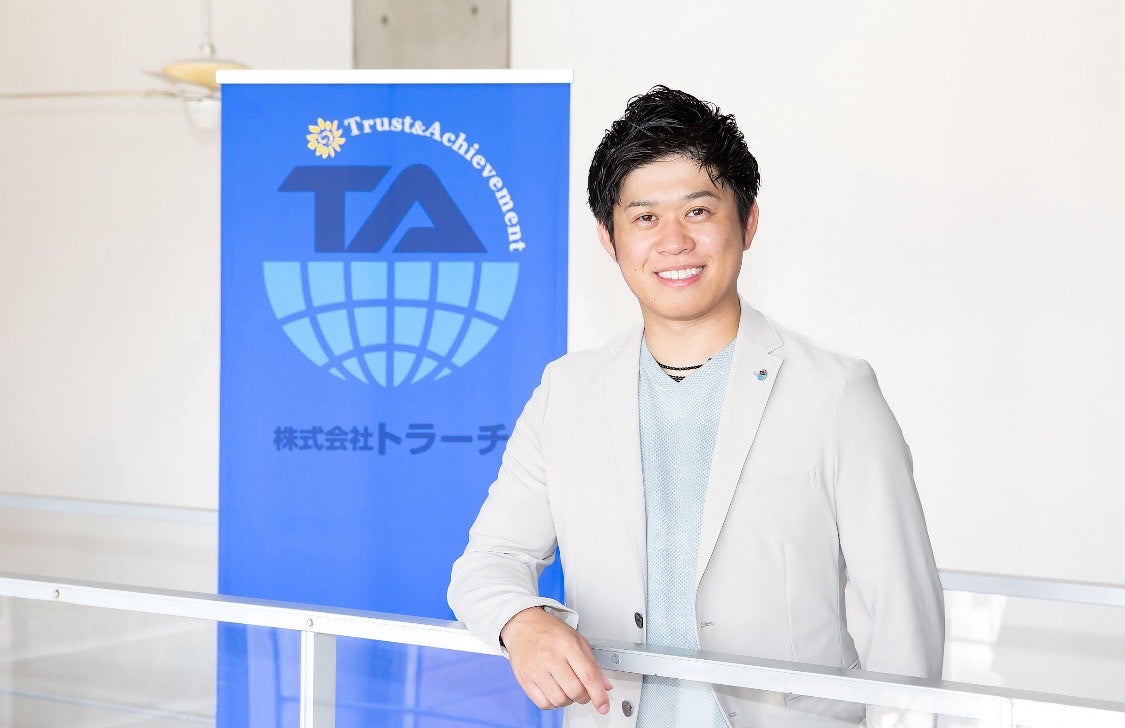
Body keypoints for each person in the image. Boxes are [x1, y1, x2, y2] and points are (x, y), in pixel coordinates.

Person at [448, 85, 944, 727]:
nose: (674, 241)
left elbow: (904, 621)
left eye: (700, 211)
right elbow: (487, 563)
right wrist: (521, 620)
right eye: (645, 218)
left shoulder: (836, 393)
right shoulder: (566, 392)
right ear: (609, 238)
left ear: (749, 222)